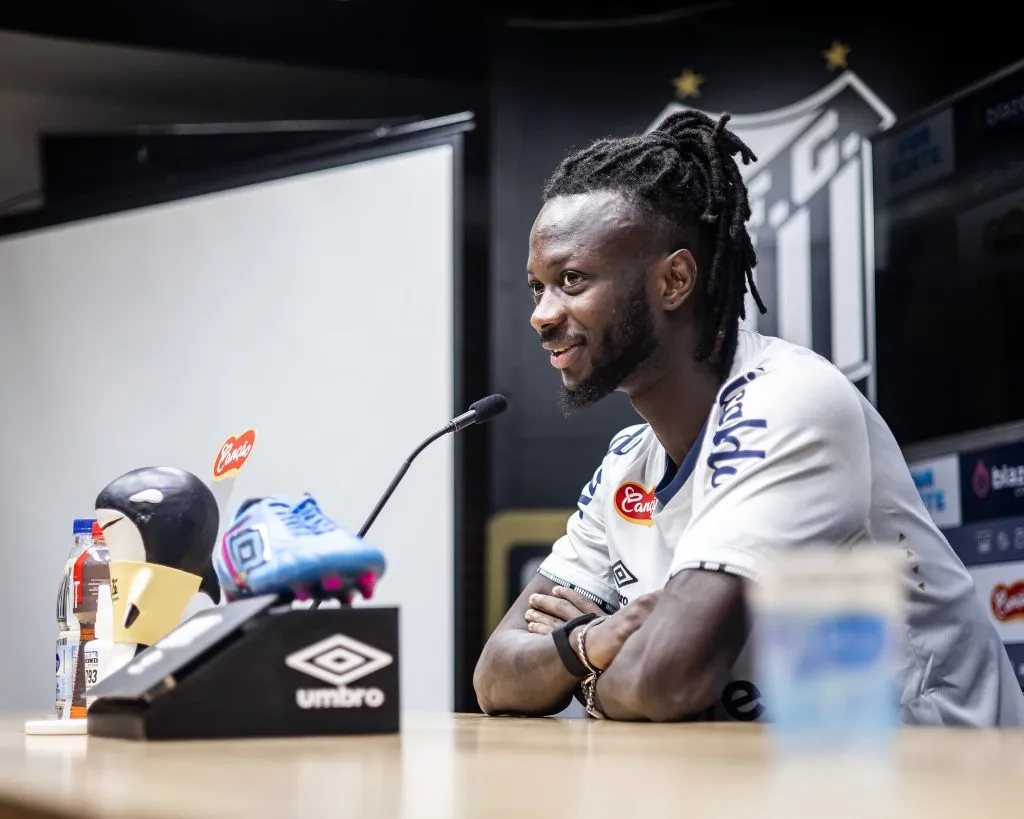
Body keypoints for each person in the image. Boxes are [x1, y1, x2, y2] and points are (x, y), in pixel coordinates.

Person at [472, 109, 1024, 725]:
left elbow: (665, 681)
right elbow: (495, 675)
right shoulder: (629, 462)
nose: (541, 316)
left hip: (941, 780)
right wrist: (589, 643)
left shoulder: (788, 402)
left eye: (572, 280)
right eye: (537, 287)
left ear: (674, 280)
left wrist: (584, 674)